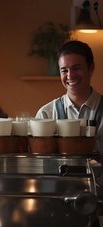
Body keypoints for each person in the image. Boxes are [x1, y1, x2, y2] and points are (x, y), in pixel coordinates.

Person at [35, 40, 103, 194]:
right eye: (64, 70)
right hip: (57, 201)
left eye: (76, 68)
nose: (70, 75)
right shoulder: (46, 114)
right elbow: (40, 167)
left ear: (91, 68)